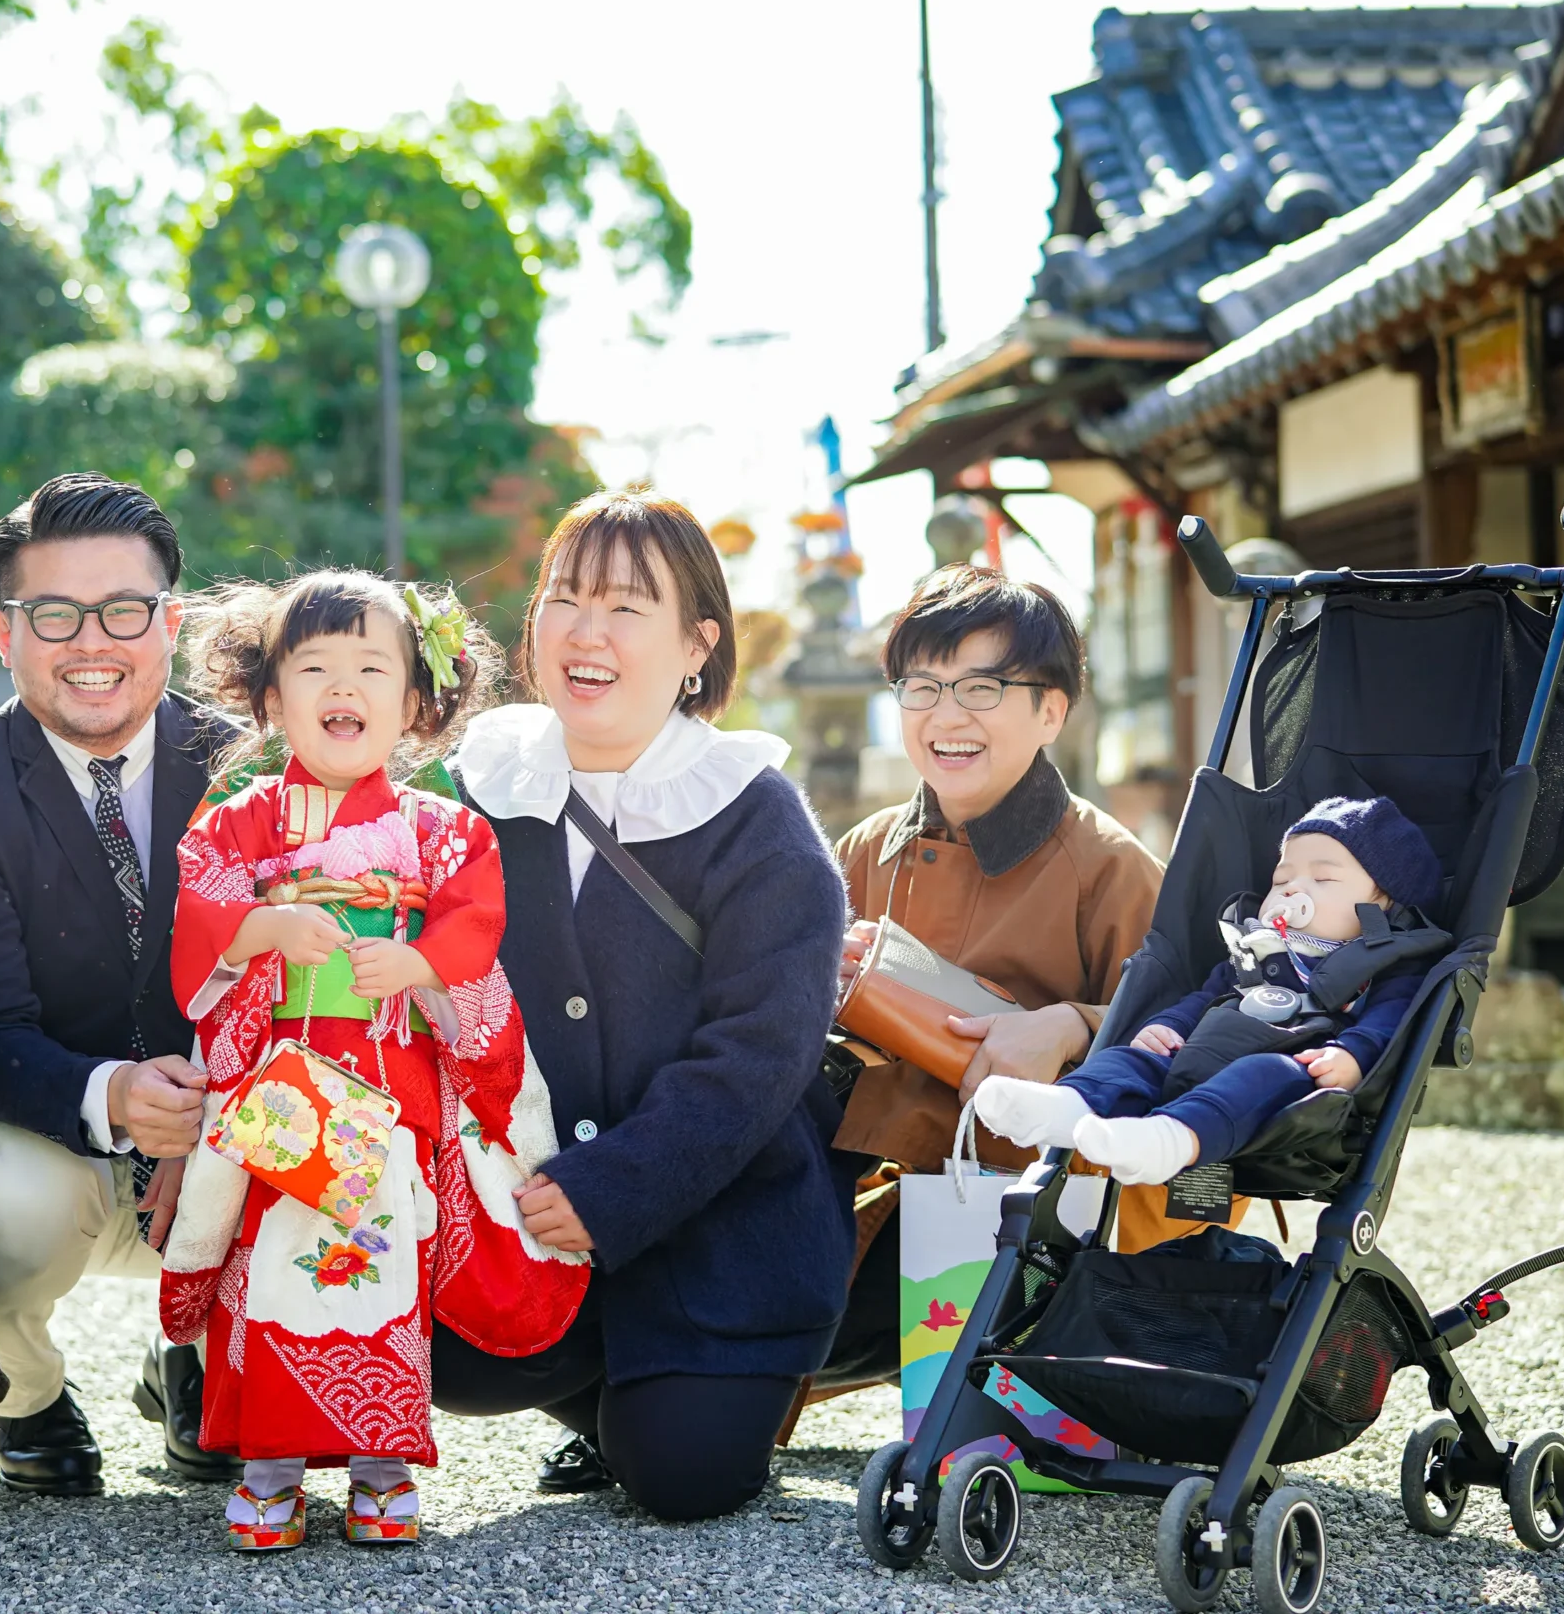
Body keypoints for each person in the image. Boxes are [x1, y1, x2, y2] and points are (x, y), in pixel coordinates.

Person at [437, 490, 853, 1522]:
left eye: (626, 607)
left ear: (696, 646)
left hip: (715, 1223)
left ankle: (670, 1388)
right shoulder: (481, 785)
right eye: (562, 597)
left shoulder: (752, 811)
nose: (584, 631)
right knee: (436, 1358)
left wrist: (612, 1189)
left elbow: (759, 1055)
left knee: (684, 1479)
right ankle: (608, 1385)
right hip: (525, 1208)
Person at [161, 573, 588, 1551]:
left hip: (389, 1085)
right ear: (271, 697)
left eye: (369, 667)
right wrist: (259, 926)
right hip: (282, 1082)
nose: (339, 685)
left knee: (378, 1273)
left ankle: (380, 1467)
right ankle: (267, 1468)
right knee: (269, 1270)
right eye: (312, 667)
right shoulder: (236, 822)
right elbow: (201, 925)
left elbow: (474, 931)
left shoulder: (446, 830)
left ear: (415, 701)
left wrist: (420, 960)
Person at [0, 473, 241, 1493]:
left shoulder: (250, 765)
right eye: (53, 614)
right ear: (6, 635)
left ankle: (197, 1361)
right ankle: (30, 1394)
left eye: (124, 611)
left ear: (170, 622)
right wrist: (114, 1098)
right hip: (58, 1136)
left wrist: (216, 1104)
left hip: (230, 1131)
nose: (91, 640)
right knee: (9, 1196)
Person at [827, 561, 1215, 1282]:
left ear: (1051, 711)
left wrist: (1075, 1023)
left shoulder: (1109, 866)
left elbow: (1205, 1038)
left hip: (1044, 1208)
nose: (946, 715)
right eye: (922, 685)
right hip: (870, 1182)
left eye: (982, 688)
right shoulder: (862, 850)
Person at [977, 795, 1443, 1184]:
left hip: (1295, 1069)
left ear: (1384, 905)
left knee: (1260, 1076)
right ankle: (1066, 1105)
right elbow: (1207, 997)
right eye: (1281, 879)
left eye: (1323, 879)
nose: (1291, 890)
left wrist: (1353, 1055)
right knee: (1129, 1059)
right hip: (1202, 1049)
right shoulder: (1257, 950)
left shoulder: (1385, 964)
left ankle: (1169, 1139)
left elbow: (1389, 1022)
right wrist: (1168, 1025)